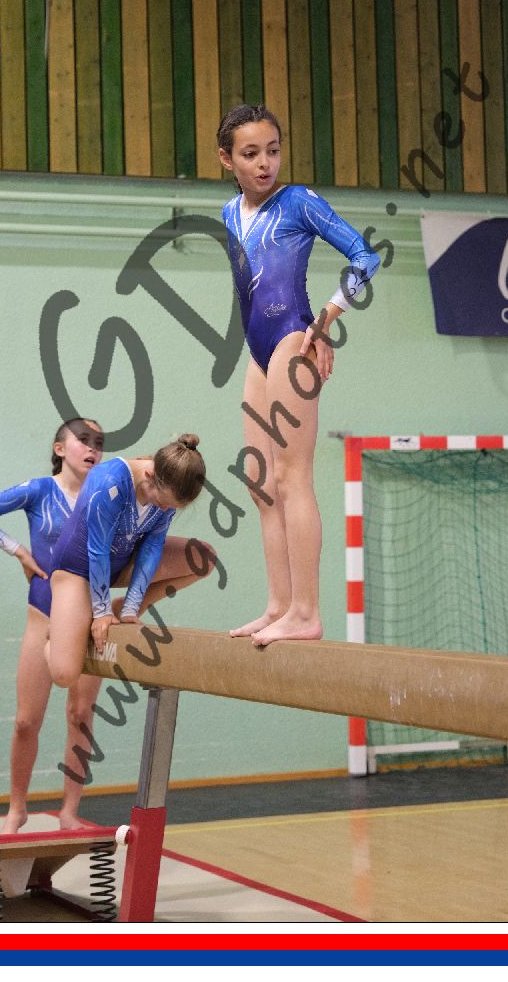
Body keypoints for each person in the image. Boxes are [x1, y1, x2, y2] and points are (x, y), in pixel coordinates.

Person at [217, 103, 381, 646]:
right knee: (261, 484)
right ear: (227, 160)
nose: (265, 163)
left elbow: (366, 257)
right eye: (250, 154)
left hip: (293, 339)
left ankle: (307, 611)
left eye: (273, 150)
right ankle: (279, 605)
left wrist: (327, 318)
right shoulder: (229, 213)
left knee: (292, 478)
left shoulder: (299, 202)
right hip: (258, 352)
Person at [0, 418, 106, 832]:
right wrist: (19, 552)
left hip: (87, 621)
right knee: (26, 721)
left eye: (99, 443)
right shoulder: (39, 491)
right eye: (83, 440)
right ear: (60, 448)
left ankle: (69, 811)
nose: (92, 448)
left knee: (81, 713)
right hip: (42, 617)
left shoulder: (102, 498)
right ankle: (17, 808)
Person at [48, 434, 211, 686]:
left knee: (204, 557)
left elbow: (153, 546)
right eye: (162, 502)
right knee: (64, 674)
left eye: (171, 507)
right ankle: (56, 637)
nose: (164, 509)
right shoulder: (109, 481)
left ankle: (118, 607)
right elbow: (98, 550)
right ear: (149, 475)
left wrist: (130, 609)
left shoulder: (166, 493)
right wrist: (101, 613)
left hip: (121, 563)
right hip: (77, 568)